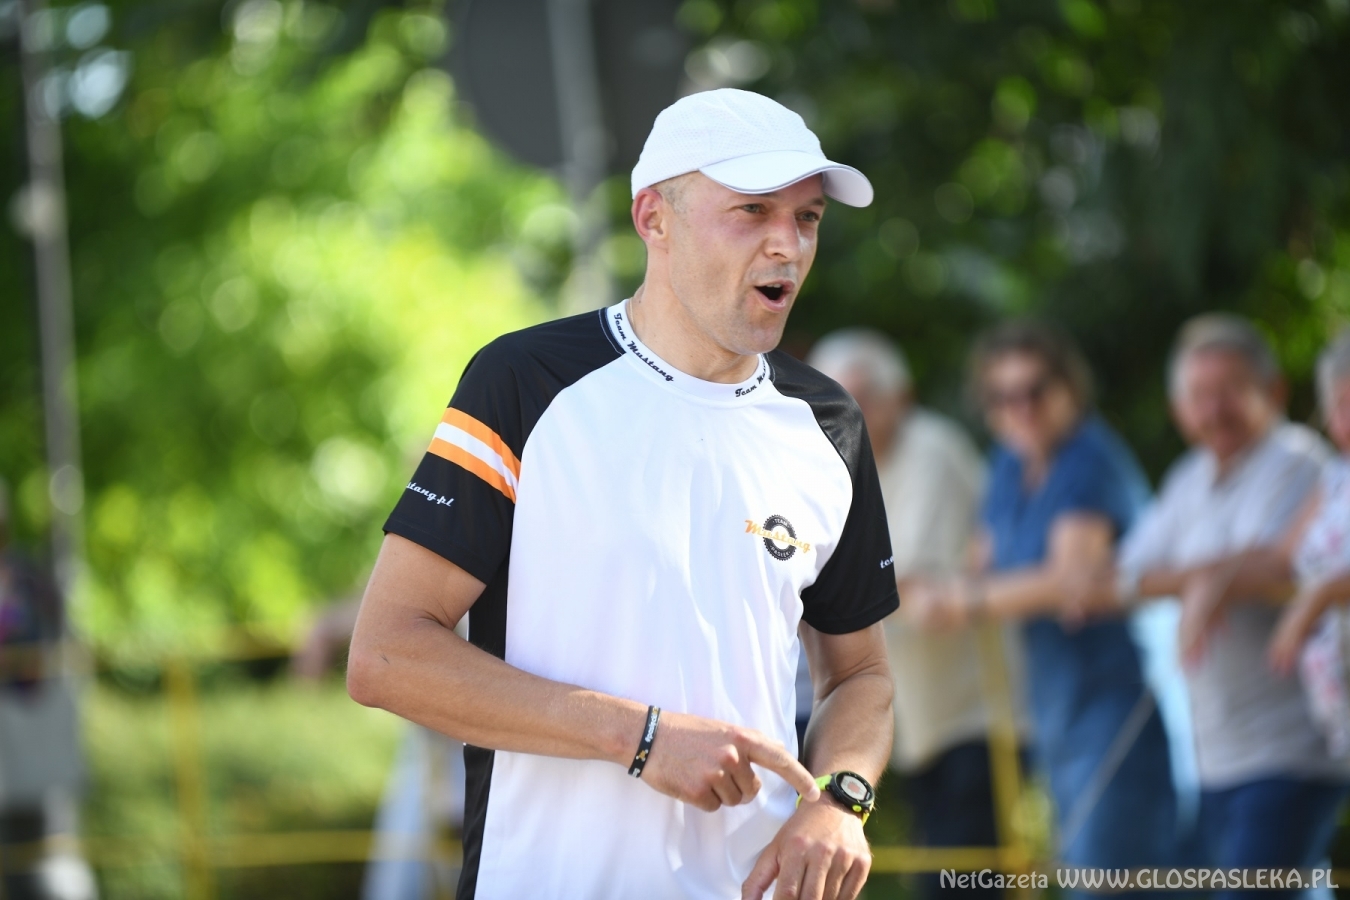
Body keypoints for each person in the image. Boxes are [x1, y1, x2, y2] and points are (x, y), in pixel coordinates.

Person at [346, 88, 898, 900]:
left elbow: (862, 676)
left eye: (807, 217)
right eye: (752, 211)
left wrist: (840, 802)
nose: (788, 243)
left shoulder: (828, 422)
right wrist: (639, 737)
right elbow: (386, 656)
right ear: (654, 218)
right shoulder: (524, 382)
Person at [902, 321, 1181, 887]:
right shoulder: (1010, 465)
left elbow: (1066, 581)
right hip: (1056, 705)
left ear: (1070, 387)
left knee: (1113, 880)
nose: (1021, 408)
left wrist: (960, 601)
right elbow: (981, 563)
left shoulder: (1089, 459)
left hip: (1120, 700)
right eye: (1003, 396)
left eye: (1035, 390)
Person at [1108, 318, 1350, 895]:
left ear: (1273, 391)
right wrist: (1207, 580)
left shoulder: (1298, 461)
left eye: (1231, 390)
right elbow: (1124, 573)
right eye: (1199, 395)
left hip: (1291, 745)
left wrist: (1210, 583)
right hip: (1220, 752)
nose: (1214, 410)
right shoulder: (1190, 477)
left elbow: (1275, 563)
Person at [807, 329, 1027, 900]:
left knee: (961, 881)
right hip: (920, 718)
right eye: (835, 397)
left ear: (900, 396)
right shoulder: (848, 462)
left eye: (861, 397)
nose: (846, 411)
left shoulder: (930, 449)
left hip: (976, 713)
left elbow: (905, 579)